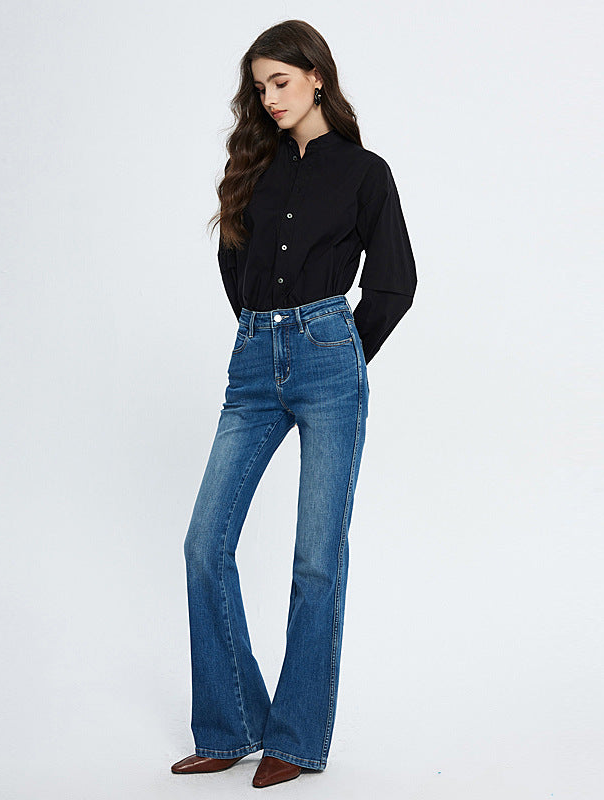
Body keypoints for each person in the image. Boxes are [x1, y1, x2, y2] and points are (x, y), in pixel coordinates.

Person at [171, 19, 417, 788]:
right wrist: (264, 334)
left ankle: (297, 738)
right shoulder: (253, 165)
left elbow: (395, 282)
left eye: (280, 81)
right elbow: (233, 263)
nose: (270, 98)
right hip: (254, 359)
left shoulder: (365, 173)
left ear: (317, 76)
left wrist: (338, 353)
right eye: (260, 87)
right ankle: (232, 724)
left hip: (328, 357)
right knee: (204, 544)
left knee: (316, 558)